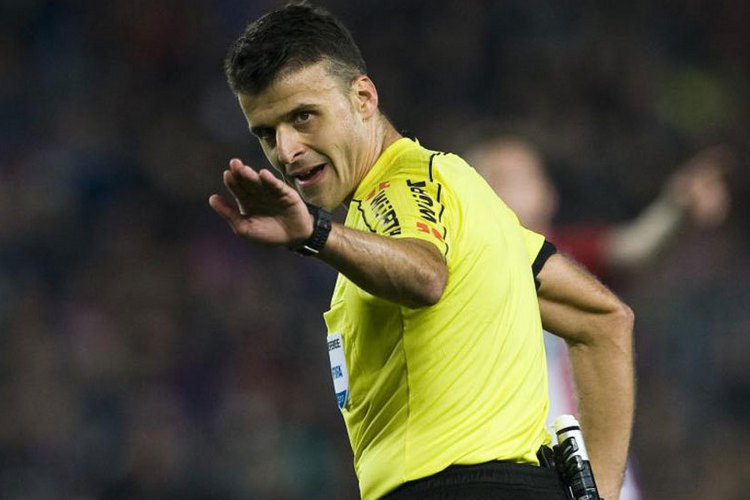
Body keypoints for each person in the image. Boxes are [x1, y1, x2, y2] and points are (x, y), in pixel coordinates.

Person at [209, 3, 634, 499]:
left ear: (363, 98)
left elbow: (426, 276)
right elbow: (603, 320)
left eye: (303, 117)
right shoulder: (462, 199)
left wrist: (316, 234)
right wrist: (601, 492)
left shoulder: (399, 188)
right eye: (266, 133)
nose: (285, 150)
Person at [467, 135, 732, 500]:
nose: (510, 189)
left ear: (549, 194)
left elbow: (632, 248)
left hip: (587, 460)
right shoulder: (460, 271)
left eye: (524, 176)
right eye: (498, 177)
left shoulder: (562, 258)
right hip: (510, 462)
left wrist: (677, 204)